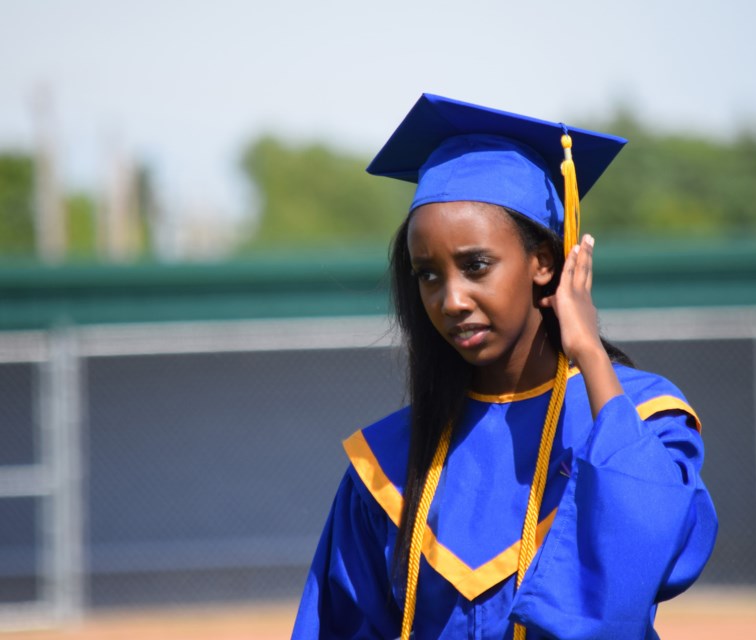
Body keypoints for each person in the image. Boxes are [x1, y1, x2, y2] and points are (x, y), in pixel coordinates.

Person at [292, 94, 718, 640]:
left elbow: (657, 545)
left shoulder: (641, 417)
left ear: (544, 261)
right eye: (428, 275)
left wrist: (587, 352)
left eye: (476, 266)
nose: (451, 299)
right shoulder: (388, 466)